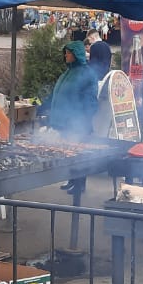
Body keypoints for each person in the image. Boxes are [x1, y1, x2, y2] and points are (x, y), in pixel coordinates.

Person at [46, 41, 99, 193]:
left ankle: (80, 185)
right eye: (66, 52)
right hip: (64, 122)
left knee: (79, 154)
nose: (65, 55)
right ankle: (72, 180)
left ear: (76, 55)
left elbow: (91, 102)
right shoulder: (67, 73)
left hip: (78, 123)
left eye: (68, 53)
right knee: (69, 153)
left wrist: (81, 121)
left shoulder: (87, 74)